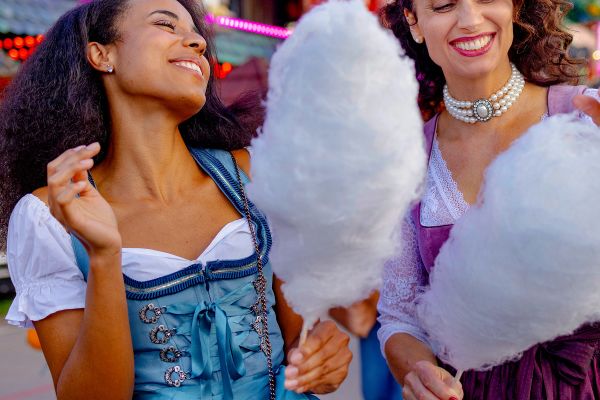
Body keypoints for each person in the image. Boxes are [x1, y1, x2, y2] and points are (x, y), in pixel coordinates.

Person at [0, 0, 352, 398]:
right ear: (102, 54)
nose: (198, 42)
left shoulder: (259, 174)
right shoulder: (49, 215)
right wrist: (102, 256)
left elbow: (300, 340)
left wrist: (323, 356)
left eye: (197, 34)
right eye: (166, 24)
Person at [376, 0, 600, 398]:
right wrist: (418, 371)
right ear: (414, 21)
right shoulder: (404, 164)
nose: (470, 19)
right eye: (443, 5)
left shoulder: (586, 118)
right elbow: (400, 319)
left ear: (514, 7)